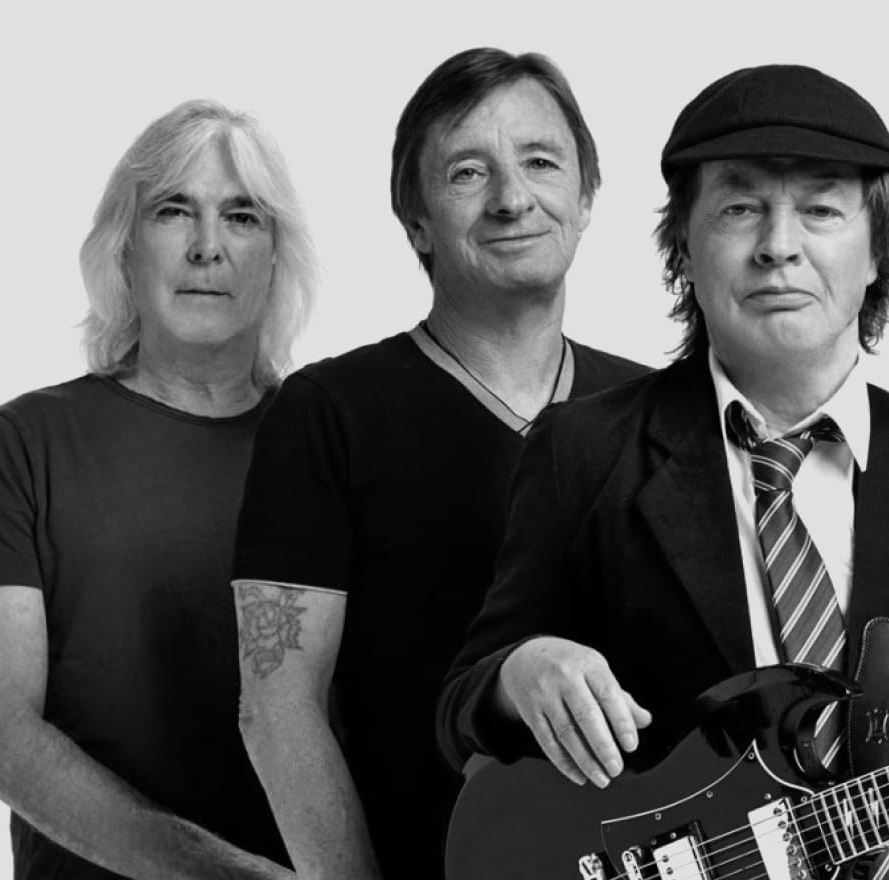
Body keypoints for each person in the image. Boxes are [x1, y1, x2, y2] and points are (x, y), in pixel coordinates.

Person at [436, 64, 889, 880]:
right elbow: (461, 708)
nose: (778, 246)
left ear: (877, 251)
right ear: (685, 248)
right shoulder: (583, 451)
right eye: (740, 208)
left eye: (820, 210)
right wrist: (520, 671)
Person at [229, 48, 648, 878]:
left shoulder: (657, 413)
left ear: (586, 196)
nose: (512, 198)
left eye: (541, 162)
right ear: (416, 222)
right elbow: (277, 711)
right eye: (467, 173)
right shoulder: (328, 414)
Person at [0, 99, 315, 880]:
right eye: (174, 211)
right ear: (123, 246)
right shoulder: (23, 445)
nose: (208, 246)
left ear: (277, 257)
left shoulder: (335, 448)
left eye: (242, 217)